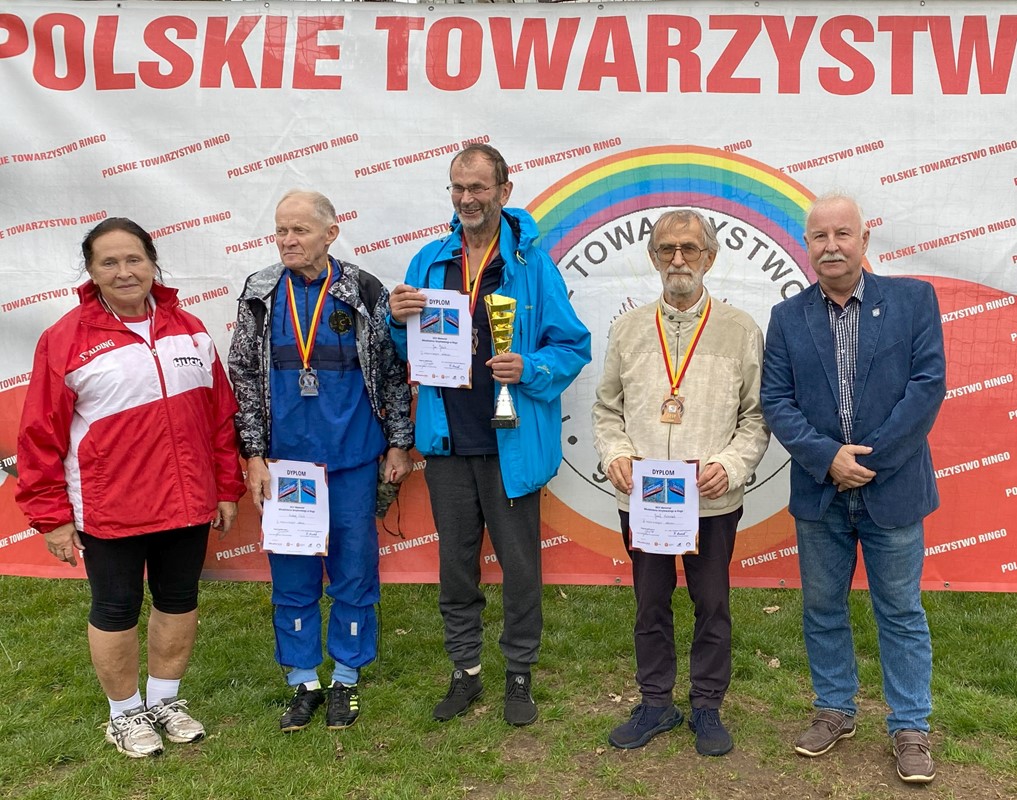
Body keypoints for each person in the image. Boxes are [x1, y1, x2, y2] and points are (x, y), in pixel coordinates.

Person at [16, 218, 245, 758]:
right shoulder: (65, 339)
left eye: (134, 259)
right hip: (111, 508)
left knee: (178, 600)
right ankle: (124, 714)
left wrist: (225, 487)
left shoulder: (189, 328)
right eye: (109, 262)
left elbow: (219, 417)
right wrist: (52, 517)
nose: (124, 272)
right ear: (91, 271)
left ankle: (165, 701)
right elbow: (40, 435)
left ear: (152, 263)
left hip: (187, 502)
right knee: (116, 608)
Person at [388, 144, 591, 726]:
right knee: (456, 567)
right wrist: (393, 320)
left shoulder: (532, 266)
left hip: (511, 443)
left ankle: (519, 673)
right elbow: (408, 349)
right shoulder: (429, 261)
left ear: (504, 190)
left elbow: (572, 345)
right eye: (458, 187)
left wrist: (530, 367)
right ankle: (466, 670)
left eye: (478, 187)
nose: (467, 199)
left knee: (521, 567)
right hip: (448, 441)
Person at [760, 193, 946, 784]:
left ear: (864, 240)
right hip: (821, 492)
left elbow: (928, 385)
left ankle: (910, 726)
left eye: (843, 234)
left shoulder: (914, 300)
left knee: (901, 610)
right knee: (822, 607)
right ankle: (834, 709)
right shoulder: (787, 317)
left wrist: (869, 461)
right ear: (807, 246)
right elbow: (776, 401)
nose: (832, 246)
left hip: (893, 487)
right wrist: (828, 459)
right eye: (820, 236)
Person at [228, 190, 413, 733]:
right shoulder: (260, 292)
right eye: (281, 230)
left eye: (300, 230)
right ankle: (304, 680)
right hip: (287, 468)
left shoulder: (363, 290)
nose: (288, 240)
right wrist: (253, 454)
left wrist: (399, 443)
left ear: (331, 234)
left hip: (353, 459)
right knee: (293, 576)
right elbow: (244, 377)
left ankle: (346, 678)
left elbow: (392, 372)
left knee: (354, 571)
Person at [591, 209, 769, 756]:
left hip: (711, 498)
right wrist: (616, 454)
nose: (677, 259)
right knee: (650, 602)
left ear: (709, 257)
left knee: (711, 602)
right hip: (644, 498)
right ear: (652, 258)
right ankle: (655, 703)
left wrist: (731, 466)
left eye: (689, 248)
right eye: (666, 249)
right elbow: (606, 409)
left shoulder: (740, 330)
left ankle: (707, 705)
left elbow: (757, 416)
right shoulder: (628, 329)